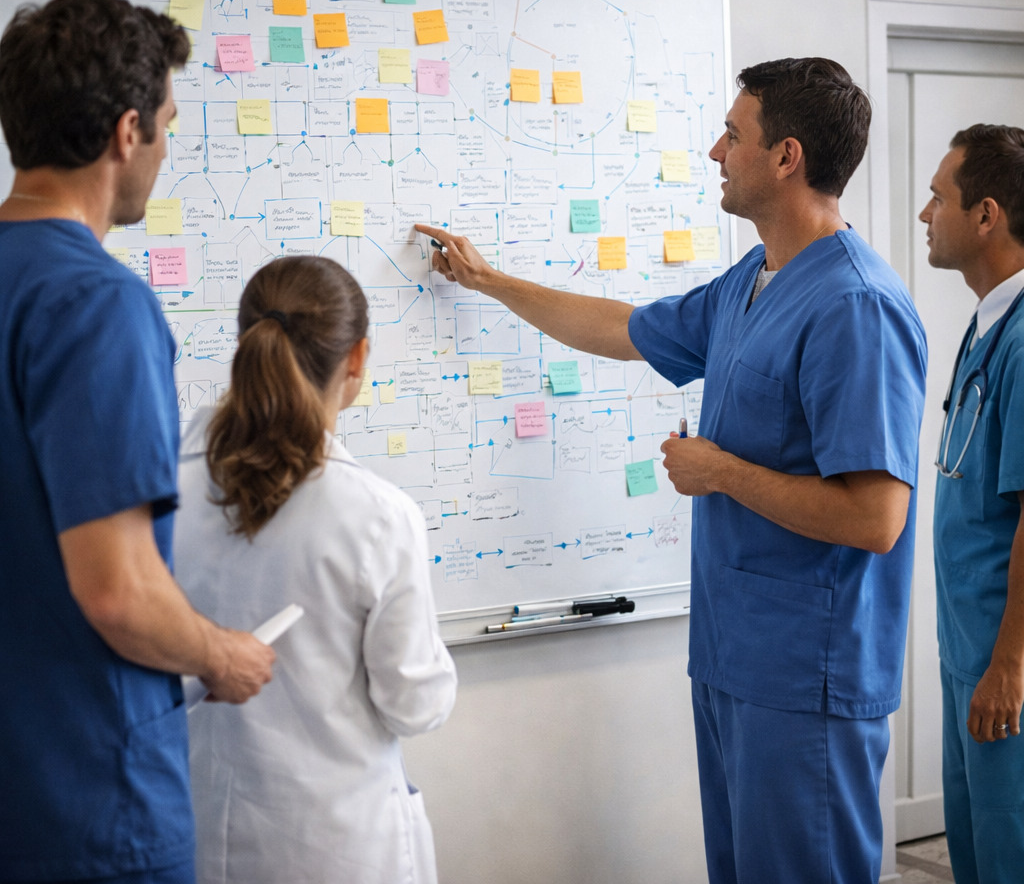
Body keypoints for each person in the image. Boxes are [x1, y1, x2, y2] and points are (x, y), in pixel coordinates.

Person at [415, 57, 927, 884]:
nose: (716, 149)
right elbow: (624, 329)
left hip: (807, 677)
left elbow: (875, 518)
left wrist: (722, 471)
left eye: (734, 133)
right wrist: (486, 281)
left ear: (786, 157)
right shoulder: (750, 284)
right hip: (733, 658)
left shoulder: (854, 307)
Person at [0, 0, 276, 884]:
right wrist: (220, 655)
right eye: (164, 124)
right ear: (126, 133)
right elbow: (118, 593)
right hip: (81, 804)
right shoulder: (94, 303)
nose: (161, 147)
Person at [173, 255, 457, 884]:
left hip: (193, 832)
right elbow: (413, 704)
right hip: (335, 846)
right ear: (356, 360)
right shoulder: (377, 516)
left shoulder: (161, 481)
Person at [919, 124, 1024, 884]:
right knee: (974, 854)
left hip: (1005, 664)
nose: (926, 214)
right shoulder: (987, 324)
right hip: (969, 650)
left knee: (1008, 854)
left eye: (937, 198)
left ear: (985, 215)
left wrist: (1009, 667)